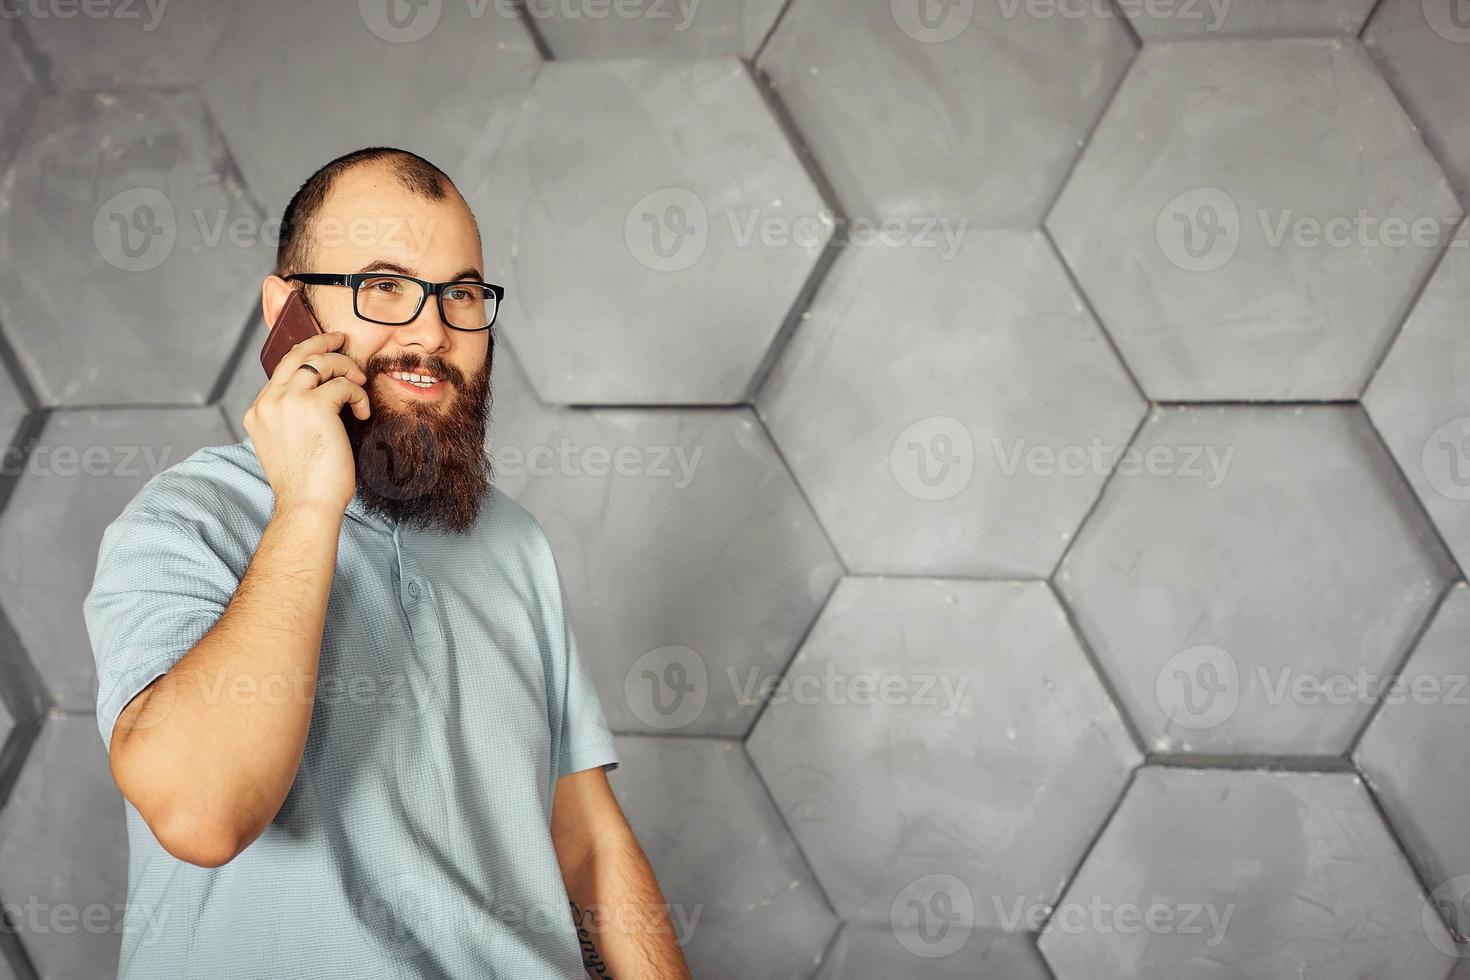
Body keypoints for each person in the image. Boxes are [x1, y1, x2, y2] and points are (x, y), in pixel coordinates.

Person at [82, 146, 691, 980]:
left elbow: (586, 841)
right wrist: (307, 503)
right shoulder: (186, 521)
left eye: (462, 294)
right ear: (286, 311)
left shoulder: (514, 545)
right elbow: (200, 813)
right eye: (385, 287)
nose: (434, 331)